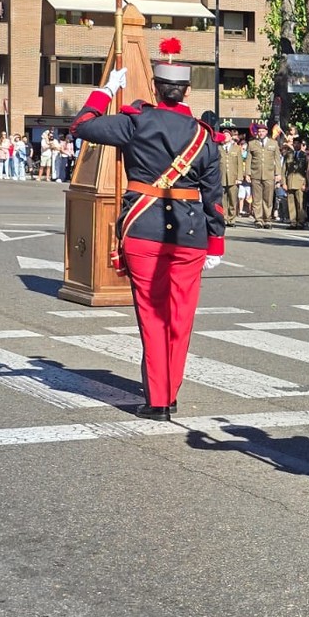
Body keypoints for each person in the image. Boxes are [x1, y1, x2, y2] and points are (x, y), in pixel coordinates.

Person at [70, 59, 225, 420]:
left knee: (153, 316)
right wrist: (216, 243)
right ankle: (170, 393)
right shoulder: (203, 136)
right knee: (180, 319)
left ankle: (158, 400)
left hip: (143, 229)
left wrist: (106, 90)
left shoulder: (135, 122)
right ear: (187, 91)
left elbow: (81, 125)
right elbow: (214, 197)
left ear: (155, 89)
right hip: (190, 234)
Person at [247, 121, 280, 227]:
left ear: (266, 132)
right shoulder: (252, 143)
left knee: (268, 198)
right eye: (259, 131)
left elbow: (277, 159)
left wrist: (278, 173)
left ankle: (267, 219)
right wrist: (247, 173)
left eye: (263, 131)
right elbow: (248, 159)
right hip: (255, 174)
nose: (260, 133)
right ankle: (258, 219)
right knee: (257, 198)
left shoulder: (273, 143)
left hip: (269, 174)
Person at [218, 124, 242, 227]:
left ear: (231, 137)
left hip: (233, 178)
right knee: (222, 200)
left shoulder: (236, 148)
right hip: (222, 177)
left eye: (227, 135)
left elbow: (239, 164)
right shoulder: (219, 148)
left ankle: (232, 219)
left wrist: (239, 177)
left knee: (233, 200)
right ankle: (224, 218)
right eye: (224, 135)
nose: (226, 137)